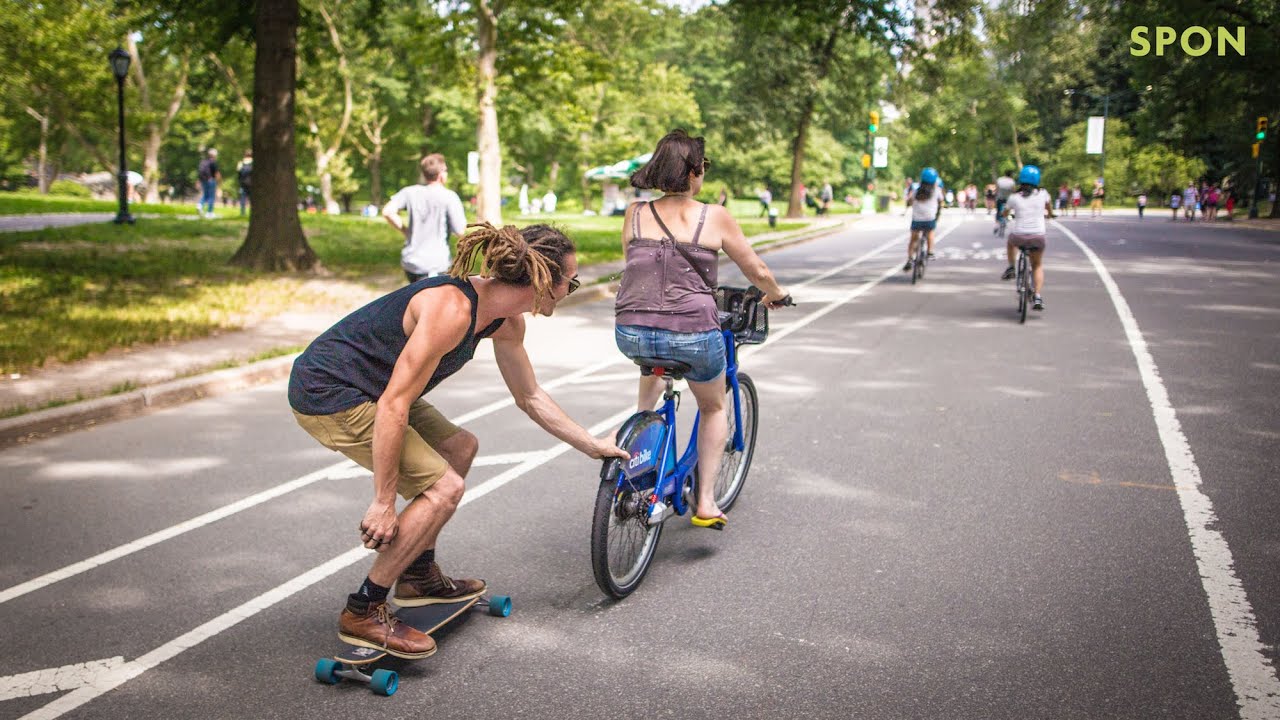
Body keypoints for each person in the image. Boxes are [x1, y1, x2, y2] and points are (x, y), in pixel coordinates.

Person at [289, 222, 629, 659]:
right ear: (545, 278)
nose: (571, 288)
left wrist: (590, 443)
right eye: (572, 280)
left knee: (460, 448)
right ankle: (364, 608)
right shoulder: (451, 310)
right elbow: (394, 406)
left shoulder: (504, 322)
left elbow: (529, 395)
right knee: (444, 488)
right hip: (330, 393)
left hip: (377, 390)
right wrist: (383, 501)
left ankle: (416, 574)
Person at [615, 129, 790, 530]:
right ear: (694, 171)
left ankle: (637, 437)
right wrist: (776, 294)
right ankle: (706, 501)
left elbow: (636, 264)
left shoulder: (636, 212)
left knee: (653, 367)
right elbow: (757, 270)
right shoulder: (715, 216)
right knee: (713, 406)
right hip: (693, 332)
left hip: (631, 330)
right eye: (704, 166)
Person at [382, 154, 467, 284]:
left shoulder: (409, 192)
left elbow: (387, 211)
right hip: (435, 264)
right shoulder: (449, 197)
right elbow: (460, 231)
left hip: (411, 262)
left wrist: (406, 231)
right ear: (441, 173)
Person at [1000, 165, 1054, 311]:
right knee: (1036, 265)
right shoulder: (1043, 194)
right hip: (1037, 236)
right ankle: (1037, 295)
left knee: (1011, 243)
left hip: (1019, 236)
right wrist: (1049, 215)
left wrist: (1006, 215)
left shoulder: (1014, 197)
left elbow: (1005, 213)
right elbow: (1049, 208)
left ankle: (1011, 267)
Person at [905, 167, 943, 272]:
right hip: (929, 219)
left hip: (917, 219)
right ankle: (930, 252)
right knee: (930, 232)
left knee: (913, 239)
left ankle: (910, 259)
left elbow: (909, 201)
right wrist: (938, 212)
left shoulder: (916, 190)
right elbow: (941, 201)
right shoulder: (937, 191)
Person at [197, 149, 220, 219]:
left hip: (203, 180)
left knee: (205, 195)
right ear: (214, 155)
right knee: (211, 196)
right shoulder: (213, 162)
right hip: (211, 180)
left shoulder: (203, 161)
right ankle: (209, 212)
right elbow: (216, 173)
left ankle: (199, 205)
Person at [993, 169, 1016, 235]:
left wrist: (995, 196)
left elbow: (997, 189)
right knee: (1007, 211)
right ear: (1011, 175)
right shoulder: (1012, 181)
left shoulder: (1000, 179)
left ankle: (997, 224)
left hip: (1000, 198)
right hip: (1008, 200)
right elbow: (1014, 191)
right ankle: (1005, 220)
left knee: (998, 212)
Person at [236, 150, 253, 216]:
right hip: (251, 182)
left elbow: (238, 173)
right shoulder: (253, 162)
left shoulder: (241, 162)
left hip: (243, 183)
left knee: (243, 197)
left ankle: (242, 212)